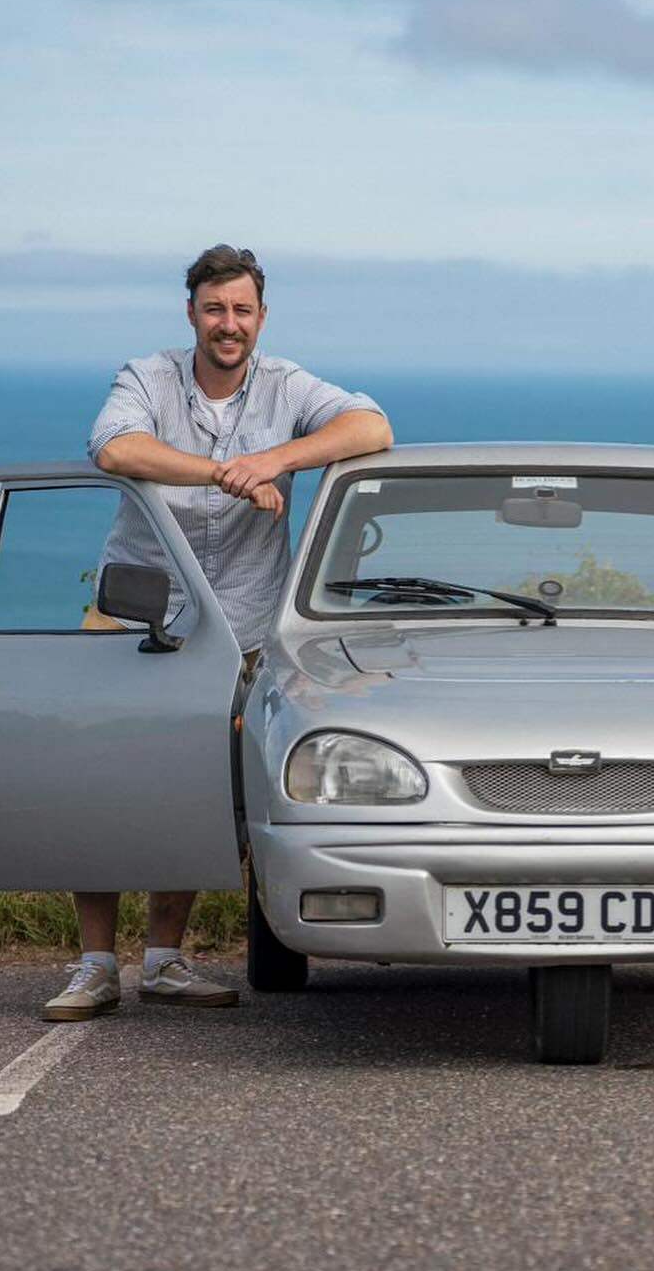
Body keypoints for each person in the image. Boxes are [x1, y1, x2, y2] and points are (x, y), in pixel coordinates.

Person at [42, 244, 393, 1022]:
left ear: (260, 318)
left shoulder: (287, 384)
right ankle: (94, 964)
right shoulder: (147, 376)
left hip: (238, 625)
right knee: (96, 786)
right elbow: (113, 447)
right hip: (135, 611)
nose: (227, 324)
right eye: (213, 309)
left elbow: (371, 426)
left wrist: (273, 458)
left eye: (240, 310)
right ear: (191, 313)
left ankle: (164, 959)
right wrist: (223, 472)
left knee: (206, 790)